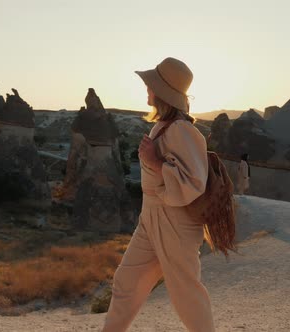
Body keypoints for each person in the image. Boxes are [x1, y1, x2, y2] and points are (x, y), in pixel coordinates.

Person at [102, 57, 214, 332]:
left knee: (186, 293)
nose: (147, 89)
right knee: (127, 281)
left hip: (175, 221)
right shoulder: (163, 126)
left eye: (151, 85)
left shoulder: (182, 130)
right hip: (151, 218)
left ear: (163, 92)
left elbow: (193, 183)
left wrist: (154, 163)